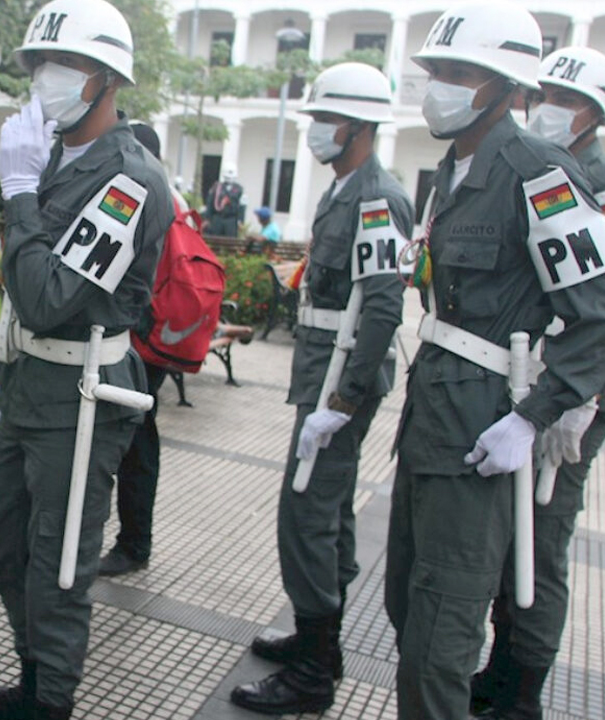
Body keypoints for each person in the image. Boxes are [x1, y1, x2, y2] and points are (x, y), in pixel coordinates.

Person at [385, 4, 605, 719]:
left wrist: (536, 415)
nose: (440, 88)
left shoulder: (539, 174)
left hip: (483, 432)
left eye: (459, 74)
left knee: (442, 639)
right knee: (407, 608)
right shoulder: (453, 168)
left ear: (504, 85)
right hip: (431, 426)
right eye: (436, 72)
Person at [0, 2, 173, 718]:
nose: (44, 79)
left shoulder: (131, 180)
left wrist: (19, 199)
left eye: (63, 65)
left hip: (83, 393)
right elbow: (20, 297)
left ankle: (49, 702)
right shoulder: (49, 154)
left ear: (107, 78)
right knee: (3, 552)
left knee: (58, 566)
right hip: (30, 380)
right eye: (36, 66)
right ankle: (33, 678)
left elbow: (49, 295)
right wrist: (4, 372)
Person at [470, 46, 605, 720]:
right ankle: (497, 672)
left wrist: (584, 394)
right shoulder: (542, 171)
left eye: (563, 97)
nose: (545, 105)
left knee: (540, 542)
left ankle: (522, 695)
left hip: (576, 398)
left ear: (593, 114)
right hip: (534, 386)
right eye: (540, 91)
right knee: (507, 534)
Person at [231, 62, 412, 715]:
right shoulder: (343, 190)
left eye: (324, 119)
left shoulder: (378, 198)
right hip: (323, 372)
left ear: (360, 126)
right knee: (325, 514)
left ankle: (312, 676)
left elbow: (385, 309)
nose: (315, 131)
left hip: (342, 383)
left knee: (306, 515)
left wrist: (341, 403)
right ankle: (320, 645)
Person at [97, 121, 181, 577]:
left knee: (133, 443)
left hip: (139, 338)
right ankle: (134, 539)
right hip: (156, 336)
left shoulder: (143, 194)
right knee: (140, 438)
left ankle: (133, 544)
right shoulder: (171, 196)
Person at [205, 168, 244, 237]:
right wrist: (207, 218)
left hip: (231, 219)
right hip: (217, 218)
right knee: (215, 241)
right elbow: (210, 203)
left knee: (231, 242)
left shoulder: (239, 189)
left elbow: (241, 206)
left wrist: (240, 220)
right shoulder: (217, 187)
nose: (229, 179)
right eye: (227, 177)